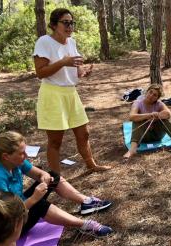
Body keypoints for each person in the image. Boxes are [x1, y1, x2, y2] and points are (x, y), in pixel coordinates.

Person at [0, 131, 113, 243]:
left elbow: (39, 173)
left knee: (53, 176)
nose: (25, 156)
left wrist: (44, 177)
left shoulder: (14, 161)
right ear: (6, 156)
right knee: (38, 204)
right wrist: (34, 198)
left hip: (18, 209)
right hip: (6, 227)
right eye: (21, 153)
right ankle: (85, 225)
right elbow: (9, 213)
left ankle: (86, 202)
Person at [33, 8, 109, 173]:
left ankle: (91, 165)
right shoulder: (44, 42)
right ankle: (57, 178)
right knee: (55, 141)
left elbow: (75, 68)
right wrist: (62, 62)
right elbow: (40, 72)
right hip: (52, 94)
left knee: (84, 133)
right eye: (65, 22)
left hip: (70, 93)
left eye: (71, 23)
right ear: (54, 25)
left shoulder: (71, 42)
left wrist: (83, 72)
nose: (70, 26)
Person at [123, 84, 171, 158]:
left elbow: (168, 114)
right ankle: (132, 149)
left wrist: (157, 115)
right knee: (137, 119)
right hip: (143, 136)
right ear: (147, 92)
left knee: (165, 118)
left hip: (157, 135)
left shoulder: (159, 104)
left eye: (155, 95)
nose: (151, 96)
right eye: (150, 92)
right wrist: (149, 115)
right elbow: (132, 116)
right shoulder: (138, 103)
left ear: (157, 98)